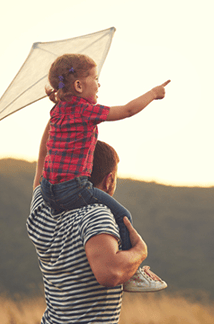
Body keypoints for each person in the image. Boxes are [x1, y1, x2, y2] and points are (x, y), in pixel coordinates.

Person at [37, 53, 169, 291]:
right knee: (123, 216)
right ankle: (133, 273)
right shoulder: (85, 111)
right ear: (78, 85)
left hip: (48, 190)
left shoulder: (57, 112)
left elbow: (44, 155)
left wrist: (61, 98)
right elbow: (127, 111)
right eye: (96, 78)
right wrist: (153, 93)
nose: (99, 84)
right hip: (73, 188)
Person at [28, 140, 164, 323]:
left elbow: (43, 157)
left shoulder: (43, 208)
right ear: (109, 180)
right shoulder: (96, 214)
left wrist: (57, 115)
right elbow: (110, 273)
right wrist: (140, 251)